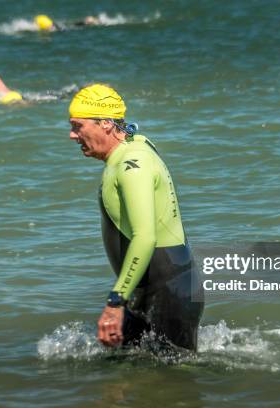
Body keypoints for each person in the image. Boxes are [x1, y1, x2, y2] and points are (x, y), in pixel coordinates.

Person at [68, 84, 204, 352]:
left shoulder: (133, 165)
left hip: (169, 293)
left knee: (174, 383)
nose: (72, 135)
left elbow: (145, 236)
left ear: (106, 124)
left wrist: (115, 301)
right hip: (149, 289)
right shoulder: (131, 147)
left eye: (78, 126)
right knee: (125, 371)